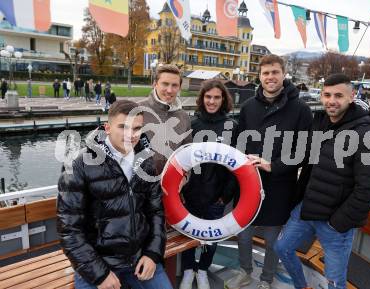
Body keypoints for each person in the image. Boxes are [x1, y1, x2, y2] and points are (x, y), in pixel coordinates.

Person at [274, 73, 370, 289]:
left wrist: (337, 223)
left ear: (352, 96)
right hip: (307, 208)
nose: (331, 101)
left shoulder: (369, 134)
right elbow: (305, 157)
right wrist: (272, 164)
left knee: (334, 280)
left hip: (335, 221)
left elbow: (369, 190)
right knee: (281, 248)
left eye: (338, 95)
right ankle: (302, 286)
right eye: (326, 95)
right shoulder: (321, 123)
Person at [57, 100, 173, 289]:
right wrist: (100, 274)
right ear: (107, 128)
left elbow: (156, 213)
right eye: (123, 127)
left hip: (140, 258)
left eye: (137, 128)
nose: (131, 135)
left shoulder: (146, 161)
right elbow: (69, 229)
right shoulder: (79, 165)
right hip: (98, 263)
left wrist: (152, 254)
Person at [225, 54, 312, 289]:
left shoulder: (301, 110)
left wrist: (273, 165)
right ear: (260, 77)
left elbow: (304, 153)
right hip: (247, 183)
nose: (270, 77)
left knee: (273, 240)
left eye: (275, 72)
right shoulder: (248, 107)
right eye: (265, 73)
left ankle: (266, 279)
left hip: (279, 186)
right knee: (243, 234)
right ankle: (245, 271)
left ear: (283, 74)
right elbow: (239, 144)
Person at [179, 80, 238, 289]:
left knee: (211, 239)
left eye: (216, 97)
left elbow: (237, 167)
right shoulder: (191, 125)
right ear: (202, 98)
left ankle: (202, 270)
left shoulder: (232, 126)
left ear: (223, 100)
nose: (212, 101)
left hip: (218, 196)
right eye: (208, 97)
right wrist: (182, 191)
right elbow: (180, 161)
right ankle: (188, 271)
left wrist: (226, 195)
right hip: (192, 194)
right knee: (187, 236)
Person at [139, 64, 192, 175]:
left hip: (171, 186)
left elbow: (187, 155)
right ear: (155, 84)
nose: (169, 90)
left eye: (174, 85)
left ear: (179, 88)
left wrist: (184, 179)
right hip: (140, 187)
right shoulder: (136, 110)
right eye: (165, 84)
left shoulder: (184, 117)